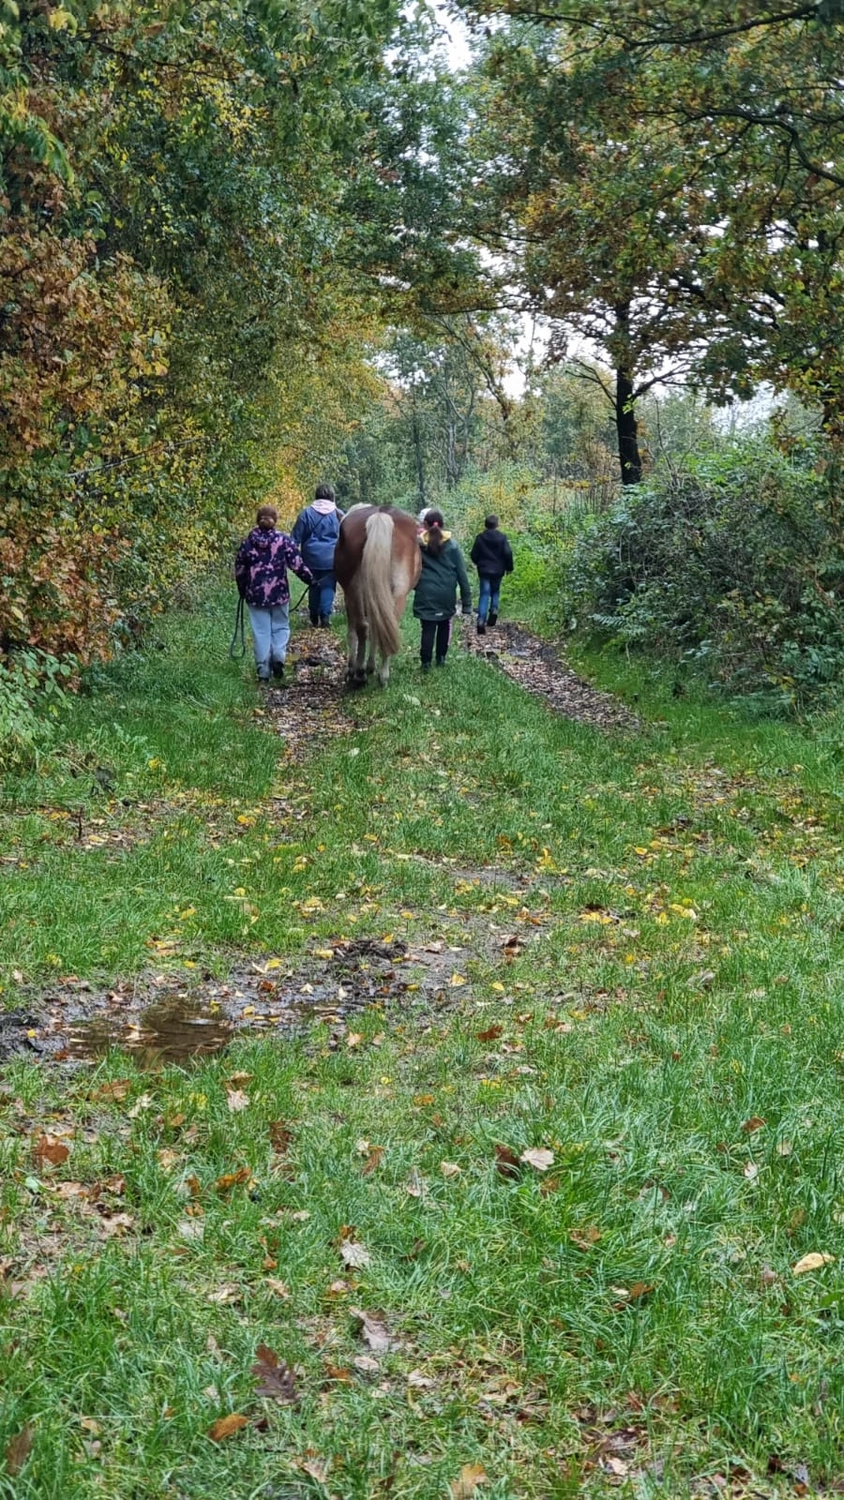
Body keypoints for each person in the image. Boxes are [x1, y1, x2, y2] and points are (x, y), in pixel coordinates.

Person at [235, 504, 313, 683]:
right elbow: (297, 564)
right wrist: (310, 580)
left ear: (257, 520)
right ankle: (278, 657)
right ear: (275, 521)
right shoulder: (283, 540)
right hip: (279, 594)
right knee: (280, 627)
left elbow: (239, 570)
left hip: (255, 595)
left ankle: (263, 672)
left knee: (261, 632)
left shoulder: (247, 543)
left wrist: (242, 589)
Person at [413, 509, 472, 670]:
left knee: (428, 627)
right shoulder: (452, 546)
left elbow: (411, 569)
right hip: (446, 593)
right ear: (443, 524)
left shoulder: (417, 545)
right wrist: (467, 603)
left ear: (425, 525)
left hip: (426, 593)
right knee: (444, 624)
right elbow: (462, 575)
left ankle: (425, 663)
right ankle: (441, 658)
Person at [291, 482, 344, 626]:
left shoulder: (306, 513)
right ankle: (325, 616)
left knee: (313, 584)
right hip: (331, 559)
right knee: (328, 586)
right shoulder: (339, 515)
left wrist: (292, 559)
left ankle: (314, 615)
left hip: (310, 558)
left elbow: (294, 539)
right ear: (332, 496)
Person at [470, 514, 514, 634]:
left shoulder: (480, 538)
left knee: (484, 593)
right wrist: (509, 567)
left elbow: (474, 554)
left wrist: (478, 563)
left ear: (485, 525)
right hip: (498, 570)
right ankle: (494, 609)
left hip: (484, 570)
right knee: (495, 591)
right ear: (497, 524)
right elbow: (508, 553)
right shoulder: (502, 537)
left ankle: (481, 619)